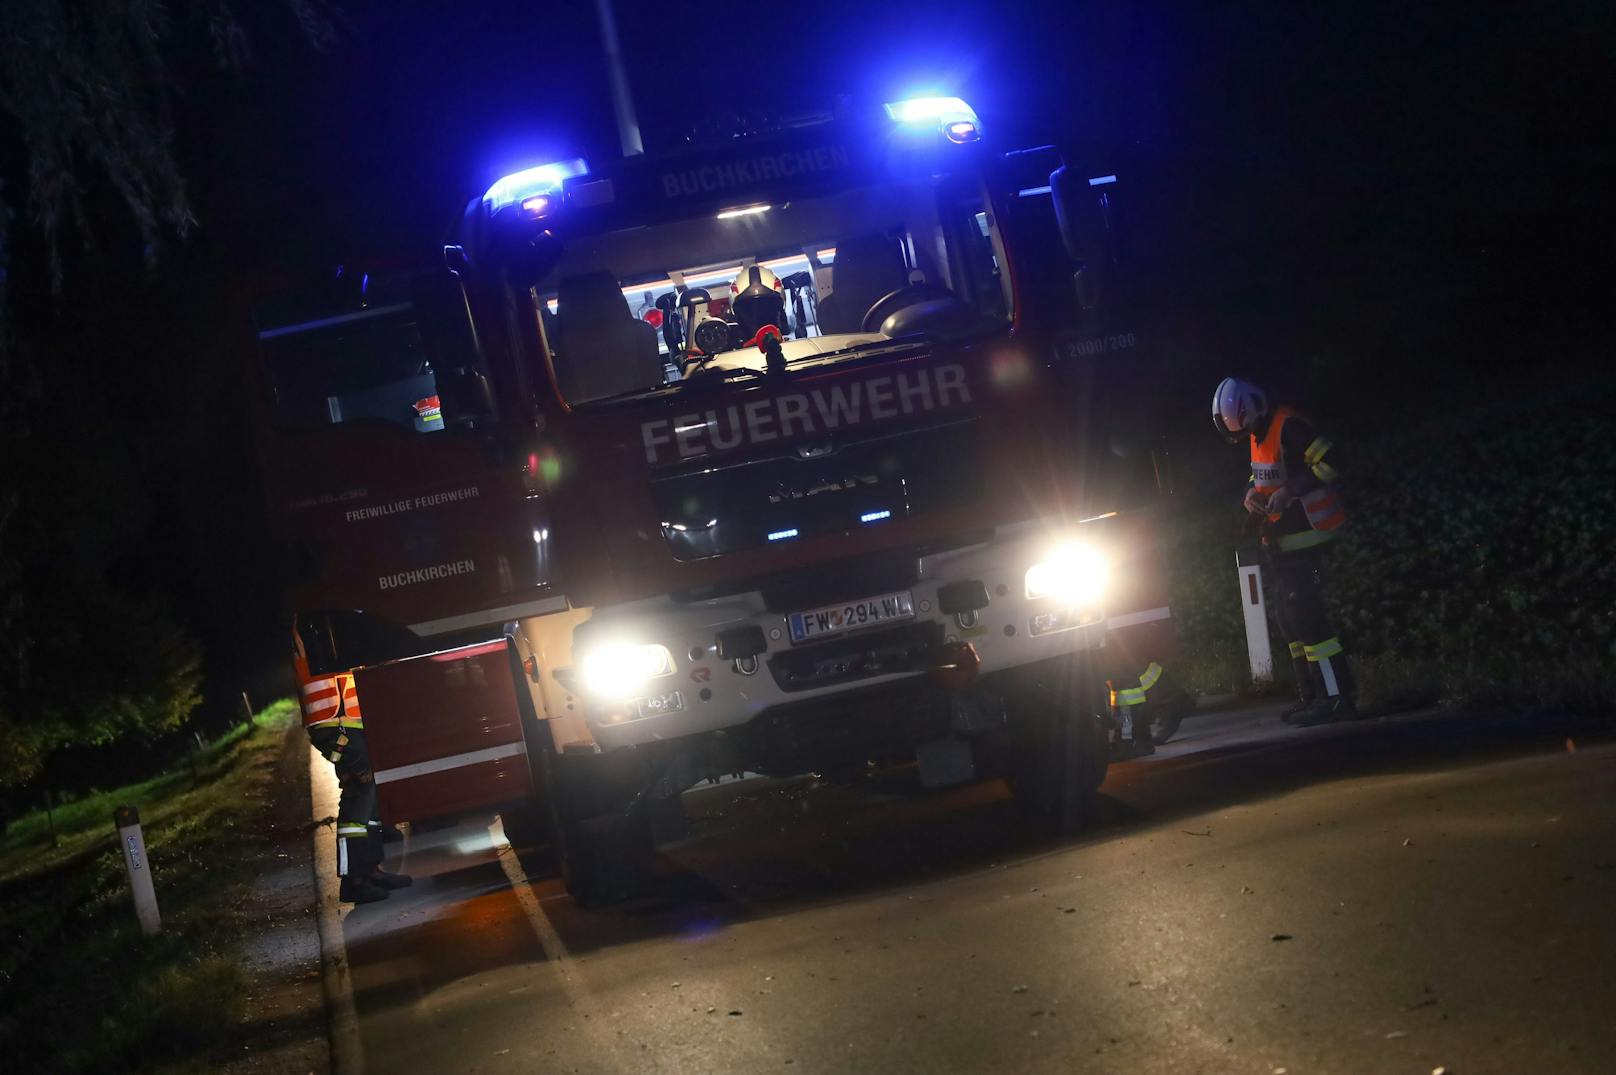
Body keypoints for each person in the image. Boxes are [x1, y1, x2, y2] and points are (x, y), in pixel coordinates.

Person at [1212, 377, 1355, 724]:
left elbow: (1332, 462)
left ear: (1256, 408)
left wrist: (1291, 491)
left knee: (1307, 618)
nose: (1246, 433)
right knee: (1290, 622)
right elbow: (1262, 475)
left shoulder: (1288, 426)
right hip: (1280, 543)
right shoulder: (1257, 431)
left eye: (1247, 426)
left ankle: (1338, 699)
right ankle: (1312, 696)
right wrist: (1251, 494)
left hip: (1309, 537)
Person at [293, 626, 412, 904]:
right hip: (333, 722)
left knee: (369, 801)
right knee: (358, 797)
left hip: (345, 721)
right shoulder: (314, 624)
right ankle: (354, 880)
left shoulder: (326, 621)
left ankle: (370, 870)